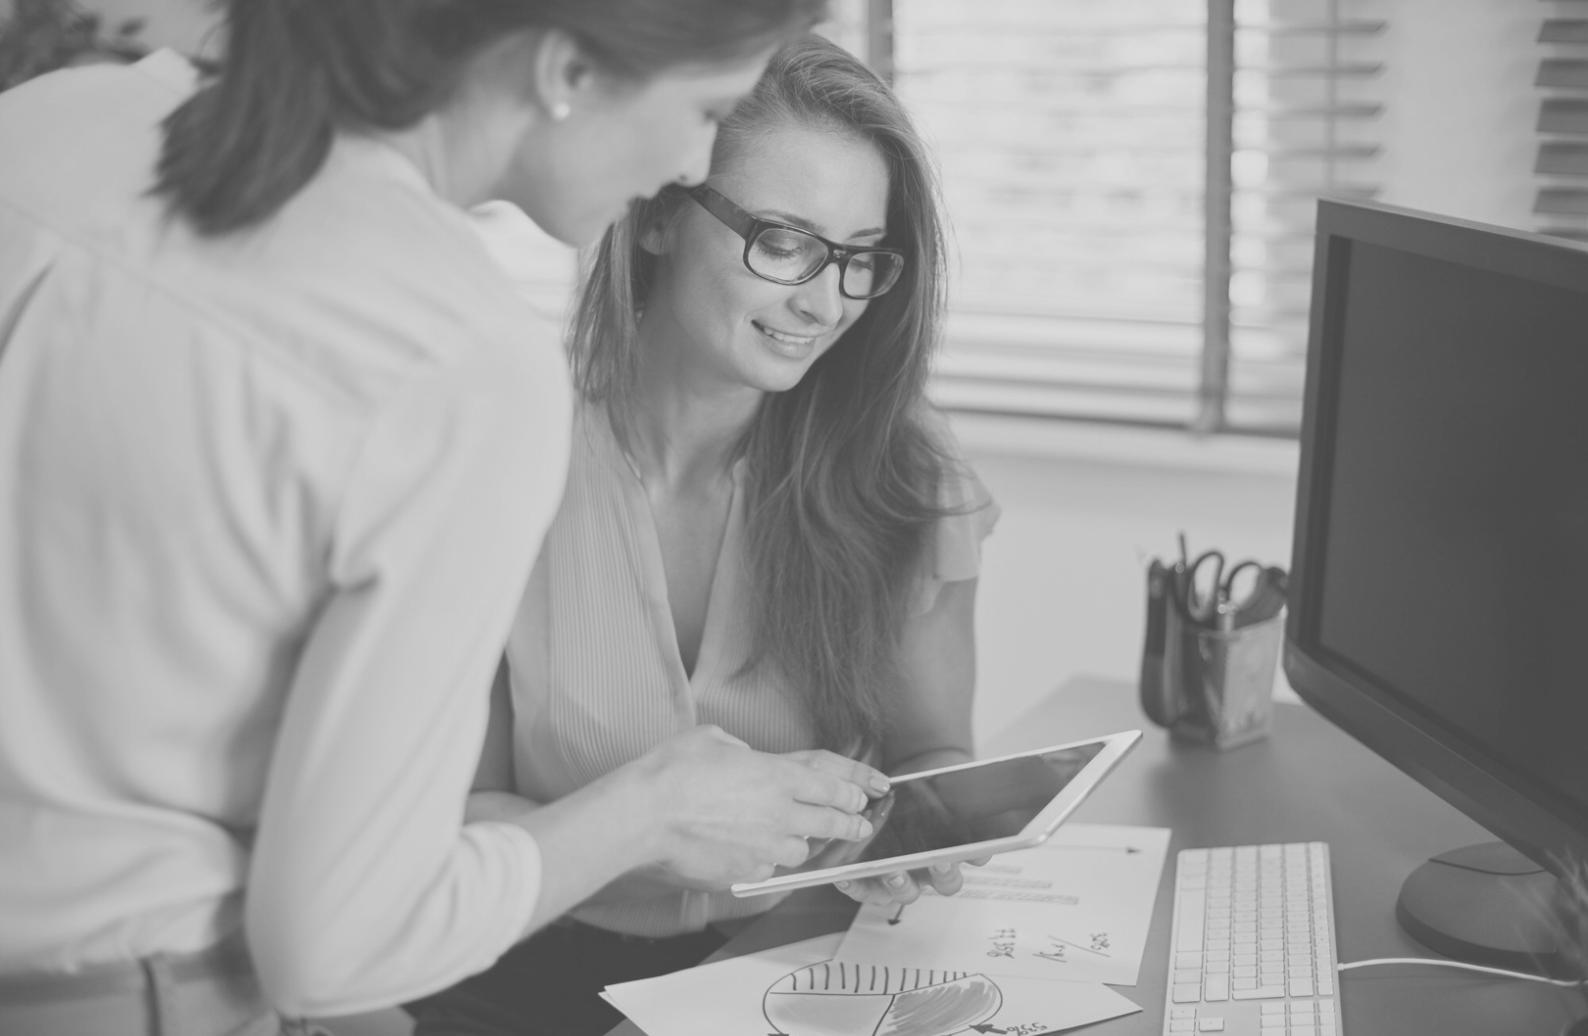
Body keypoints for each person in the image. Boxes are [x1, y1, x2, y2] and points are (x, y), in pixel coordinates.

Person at [0, 3, 894, 1034]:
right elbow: (337, 947)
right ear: (566, 68)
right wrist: (654, 808)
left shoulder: (46, 123)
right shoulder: (455, 355)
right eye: (703, 108)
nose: (694, 161)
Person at [409, 33, 1001, 1036]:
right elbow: (449, 825)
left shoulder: (906, 477)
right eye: (783, 240)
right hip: (520, 969)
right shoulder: (503, 461)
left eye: (859, 258)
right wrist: (650, 818)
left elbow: (929, 749)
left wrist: (912, 829)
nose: (824, 303)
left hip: (786, 966)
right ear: (656, 214)